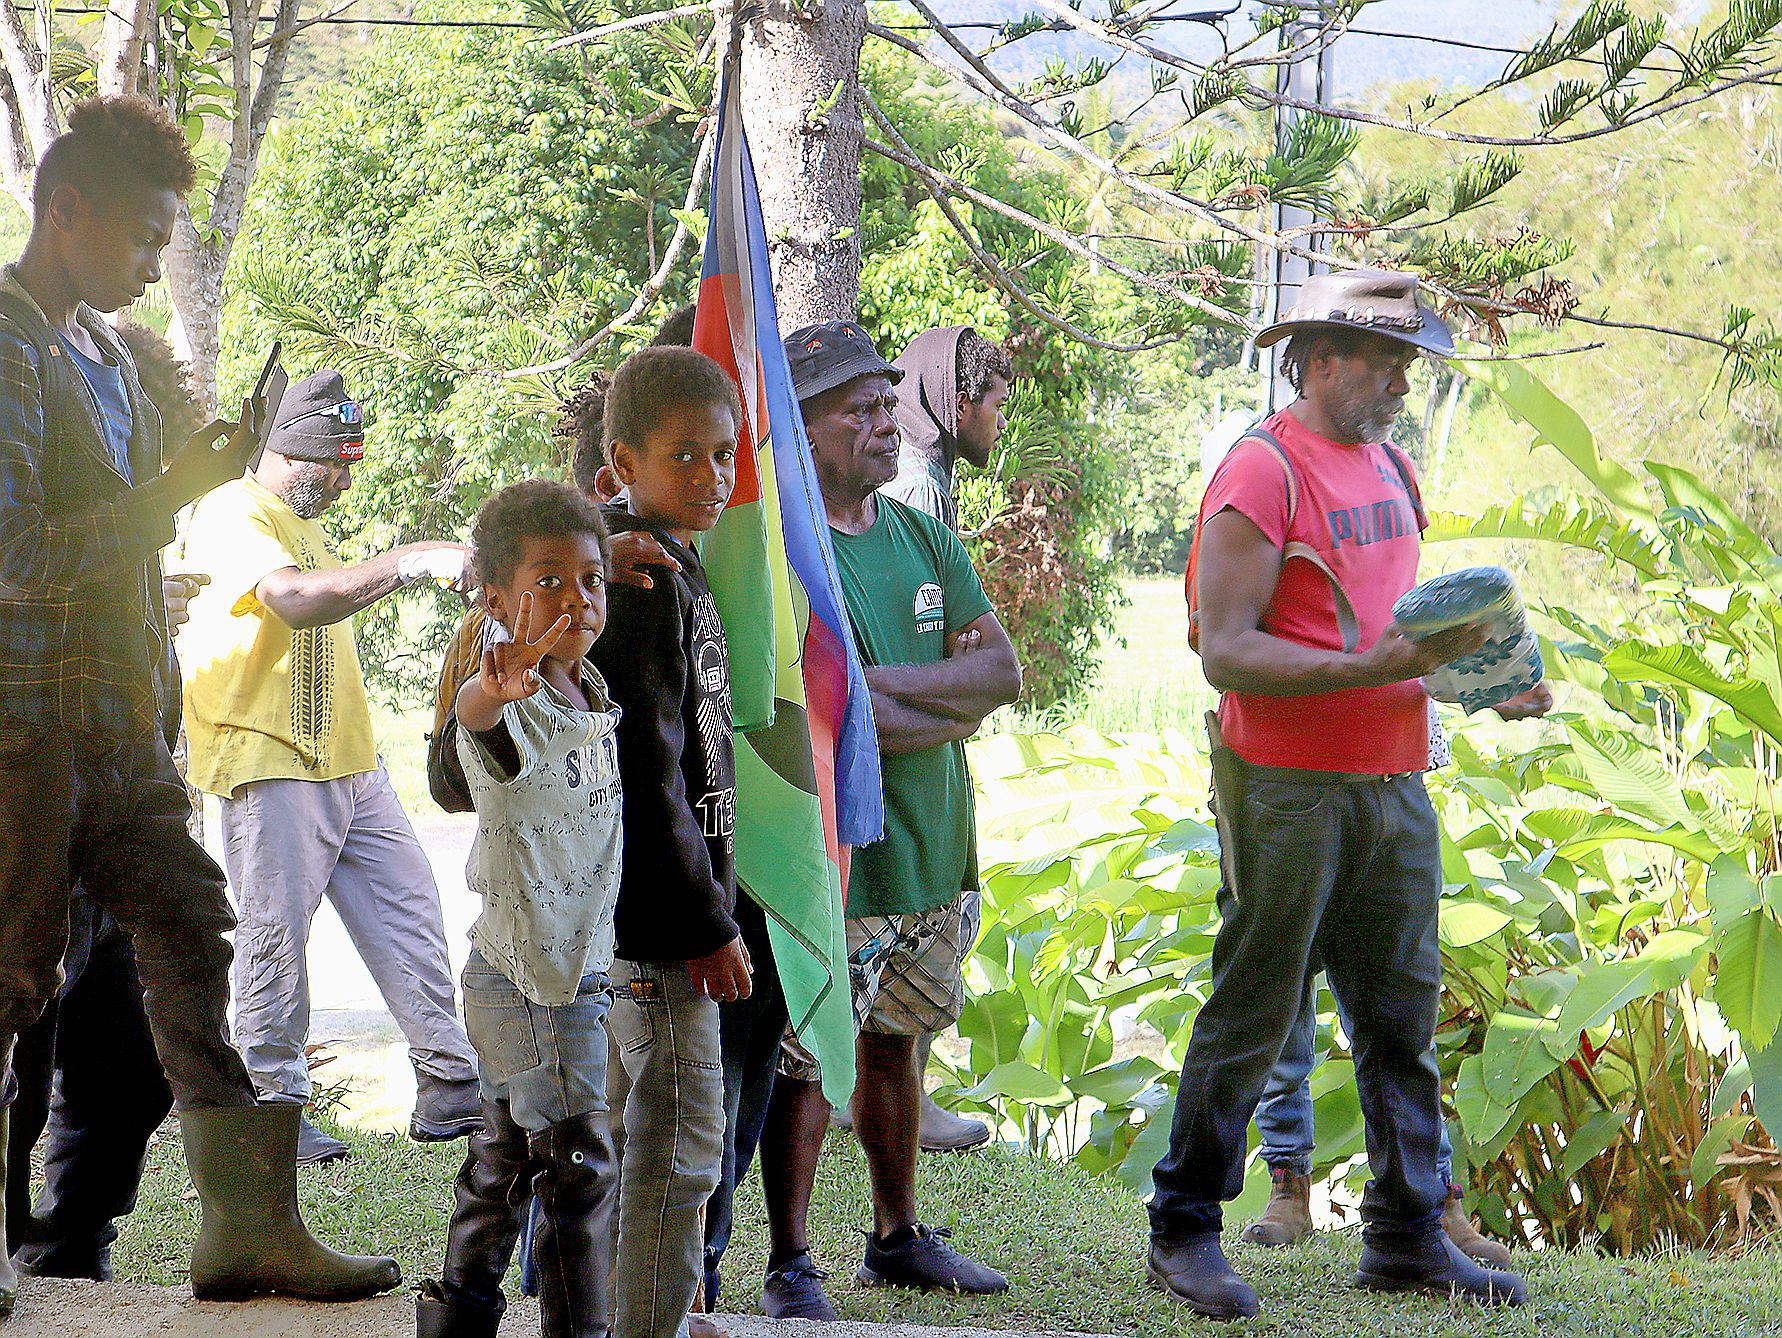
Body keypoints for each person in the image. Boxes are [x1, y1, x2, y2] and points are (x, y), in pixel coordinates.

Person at [0, 93, 397, 1312]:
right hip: (21, 729)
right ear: (64, 210)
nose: (148, 267)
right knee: (10, 980)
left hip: (119, 724)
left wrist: (178, 492)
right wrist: (163, 493)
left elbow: (101, 536)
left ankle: (247, 1227)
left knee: (191, 929)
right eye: (138, 239)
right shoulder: (7, 342)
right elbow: (11, 551)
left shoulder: (103, 354)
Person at [1145, 268, 1552, 1320]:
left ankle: (1407, 1235)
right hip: (1284, 783)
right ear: (1320, 363)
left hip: (1393, 776)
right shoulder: (1260, 473)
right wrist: (1367, 674)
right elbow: (1226, 654)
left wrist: (1490, 681)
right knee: (1254, 1005)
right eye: (1385, 365)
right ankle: (1185, 1229)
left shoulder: (1392, 469)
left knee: (1399, 1013)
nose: (1400, 386)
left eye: (1409, 368)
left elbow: (1396, 629)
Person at [755, 321, 1022, 1321]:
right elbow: (810, 716)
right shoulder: (787, 556)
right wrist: (914, 700)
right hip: (839, 858)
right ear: (801, 431)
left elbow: (999, 675)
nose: (883, 423)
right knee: (814, 1054)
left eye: (883, 403)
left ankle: (898, 1236)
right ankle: (790, 1259)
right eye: (854, 410)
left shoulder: (924, 537)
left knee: (900, 1045)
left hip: (935, 848)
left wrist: (875, 694)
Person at [179, 369, 483, 1165]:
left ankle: (450, 1084)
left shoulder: (296, 519)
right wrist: (415, 559)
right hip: (271, 759)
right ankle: (274, 1107)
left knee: (411, 907)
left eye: (351, 463)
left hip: (350, 760)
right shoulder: (233, 512)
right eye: (334, 463)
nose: (345, 480)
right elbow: (293, 599)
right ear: (289, 449)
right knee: (276, 936)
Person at [416, 480, 625, 1338]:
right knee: (578, 1164)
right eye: (548, 582)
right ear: (496, 600)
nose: (575, 599)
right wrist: (490, 691)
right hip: (534, 983)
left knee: (505, 1154)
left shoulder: (592, 689)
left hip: (568, 967)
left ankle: (459, 1312)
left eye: (591, 580)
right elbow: (476, 723)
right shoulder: (511, 701)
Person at [586, 345, 748, 1338]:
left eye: (723, 455)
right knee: (679, 1139)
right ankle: (649, 1324)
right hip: (654, 929)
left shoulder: (660, 563)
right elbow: (646, 775)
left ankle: (637, 1313)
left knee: (629, 1131)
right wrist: (705, 922)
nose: (712, 478)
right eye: (684, 457)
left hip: (639, 921)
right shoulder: (637, 578)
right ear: (622, 461)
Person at [3, 573, 199, 1283]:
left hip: (114, 806)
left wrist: (144, 610)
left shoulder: (130, 495)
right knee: (16, 1065)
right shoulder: (32, 471)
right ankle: (16, 1250)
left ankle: (69, 1248)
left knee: (133, 1070)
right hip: (26, 807)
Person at [861, 323, 1014, 1154]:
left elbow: (991, 664)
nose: (999, 419)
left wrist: (965, 685)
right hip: (893, 786)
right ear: (958, 399)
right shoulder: (912, 490)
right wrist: (958, 702)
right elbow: (924, 661)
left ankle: (900, 1095)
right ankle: (898, 1096)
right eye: (995, 400)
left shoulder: (929, 485)